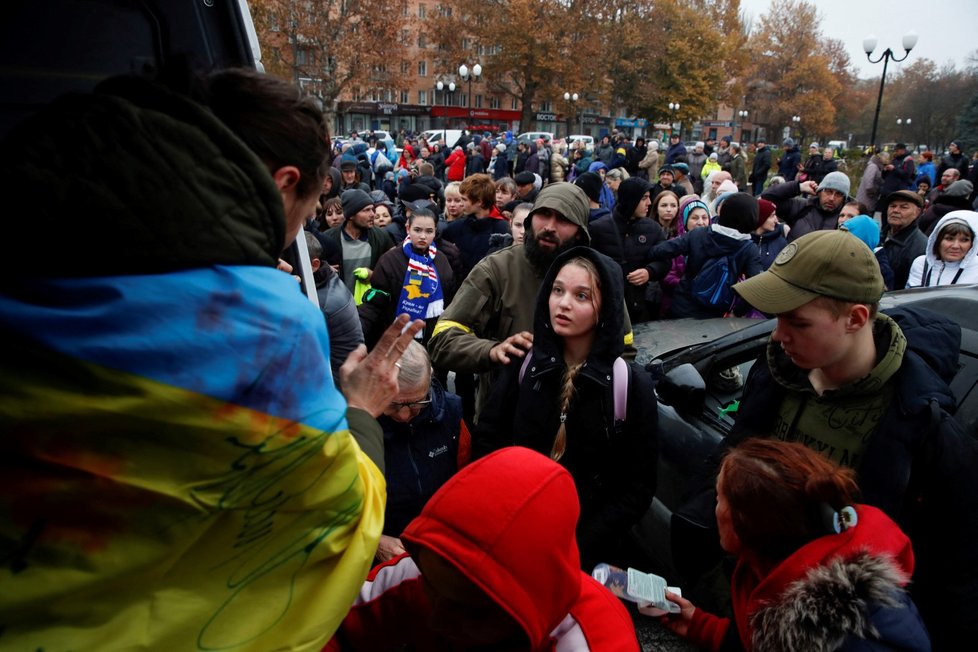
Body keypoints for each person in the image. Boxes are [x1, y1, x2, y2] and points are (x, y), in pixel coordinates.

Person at [0, 68, 425, 650]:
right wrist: (362, 409)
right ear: (283, 184)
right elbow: (331, 520)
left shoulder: (32, 219)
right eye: (307, 208)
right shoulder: (268, 320)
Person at [724, 229, 978, 647]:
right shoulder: (777, 373)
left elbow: (955, 578)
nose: (776, 335)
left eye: (797, 321)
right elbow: (733, 455)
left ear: (856, 318)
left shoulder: (921, 425)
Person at [326, 447, 641, 651]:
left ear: (529, 607)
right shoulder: (416, 573)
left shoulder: (595, 641)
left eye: (471, 610)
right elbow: (317, 629)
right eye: (430, 587)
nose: (436, 618)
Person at [474, 248, 658, 570]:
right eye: (557, 290)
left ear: (606, 307)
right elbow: (489, 440)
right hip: (513, 537)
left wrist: (579, 546)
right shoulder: (524, 363)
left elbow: (636, 487)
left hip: (581, 555)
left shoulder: (630, 385)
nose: (564, 303)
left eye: (582, 296)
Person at [661, 439, 930, 651]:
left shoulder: (851, 637)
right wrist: (700, 625)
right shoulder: (784, 580)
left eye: (720, 498)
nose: (713, 507)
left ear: (749, 525)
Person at [430, 183, 631, 423]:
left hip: (575, 426)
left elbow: (624, 349)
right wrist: (492, 351)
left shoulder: (600, 276)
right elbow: (442, 339)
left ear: (580, 232)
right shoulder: (496, 270)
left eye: (563, 220)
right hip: (504, 423)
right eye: (543, 215)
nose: (549, 227)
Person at [374, 341, 464, 563]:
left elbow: (468, 482)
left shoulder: (452, 414)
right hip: (379, 559)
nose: (404, 416)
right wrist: (374, 541)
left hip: (439, 547)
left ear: (429, 383)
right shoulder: (356, 425)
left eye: (416, 404)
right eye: (393, 405)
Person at [649, 193, 764, 319]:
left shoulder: (698, 235)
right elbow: (756, 287)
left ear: (724, 212)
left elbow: (661, 250)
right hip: (716, 316)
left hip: (682, 309)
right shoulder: (749, 249)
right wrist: (737, 312)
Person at [358, 207, 456, 347]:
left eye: (429, 231)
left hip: (433, 341)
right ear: (407, 229)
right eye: (417, 230)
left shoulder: (442, 260)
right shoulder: (390, 260)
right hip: (396, 339)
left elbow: (450, 300)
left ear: (435, 231)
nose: (423, 236)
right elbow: (375, 305)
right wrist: (355, 332)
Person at [589, 177, 666, 323]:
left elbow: (664, 260)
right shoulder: (598, 229)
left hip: (642, 307)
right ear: (631, 199)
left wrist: (649, 271)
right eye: (644, 198)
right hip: (607, 308)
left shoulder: (653, 228)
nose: (649, 203)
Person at [305, 232, 364, 378]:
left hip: (337, 381)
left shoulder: (320, 301)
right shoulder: (327, 280)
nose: (286, 266)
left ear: (314, 265)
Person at [324, 188, 396, 293]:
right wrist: (324, 268)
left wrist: (374, 275)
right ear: (351, 215)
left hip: (370, 303)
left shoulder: (381, 236)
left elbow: (394, 269)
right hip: (340, 304)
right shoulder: (329, 238)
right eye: (366, 210)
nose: (372, 214)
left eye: (372, 209)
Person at [441, 173, 510, 281]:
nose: (462, 203)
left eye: (464, 199)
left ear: (479, 202)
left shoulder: (502, 229)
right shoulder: (455, 227)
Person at [761, 171, 851, 242]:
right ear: (819, 191)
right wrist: (798, 187)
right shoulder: (801, 207)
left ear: (844, 199)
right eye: (828, 191)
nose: (832, 198)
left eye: (839, 194)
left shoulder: (847, 220)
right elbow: (766, 198)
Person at [906, 211, 978, 287]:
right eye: (949, 239)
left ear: (972, 244)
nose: (955, 246)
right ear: (938, 240)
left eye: (964, 240)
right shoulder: (921, 263)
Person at [880, 189, 927, 289]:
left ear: (917, 212)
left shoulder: (920, 246)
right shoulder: (880, 235)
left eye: (903, 207)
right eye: (892, 206)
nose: (896, 210)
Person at [751, 198, 787, 270]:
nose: (776, 220)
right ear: (761, 218)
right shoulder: (745, 240)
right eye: (772, 216)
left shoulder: (781, 242)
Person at [856, 150, 888, 215]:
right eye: (887, 159)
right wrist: (871, 192)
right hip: (866, 198)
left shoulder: (877, 167)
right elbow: (869, 180)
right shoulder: (873, 166)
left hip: (869, 198)